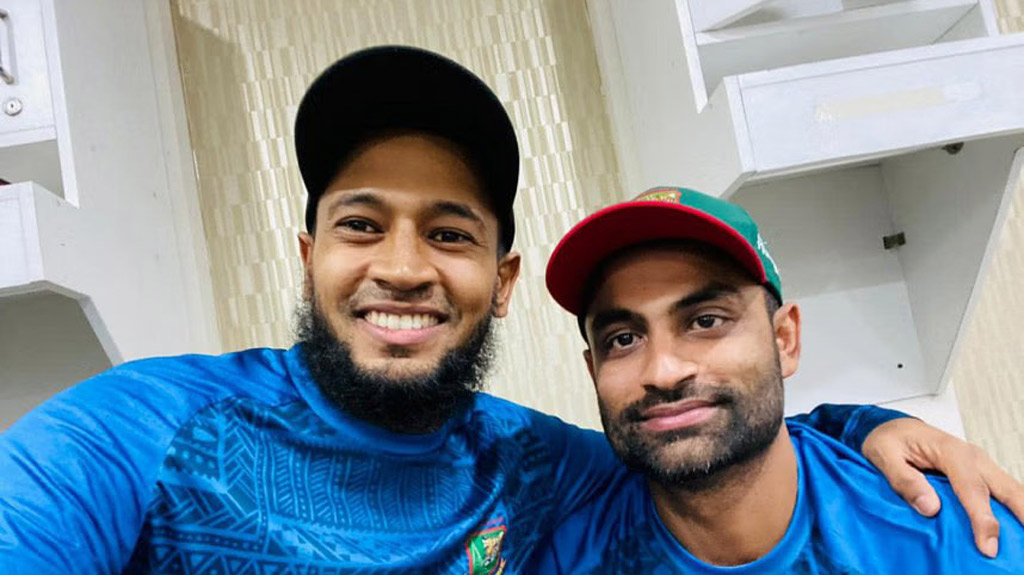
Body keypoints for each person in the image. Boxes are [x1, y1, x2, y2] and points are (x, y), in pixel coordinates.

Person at [0, 47, 1017, 575]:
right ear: (310, 259)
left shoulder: (543, 471)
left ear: (504, 277)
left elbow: (714, 442)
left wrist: (870, 426)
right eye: (361, 225)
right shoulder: (137, 432)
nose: (403, 266)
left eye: (449, 232)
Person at [538, 186, 1024, 574]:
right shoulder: (569, 557)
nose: (664, 371)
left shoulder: (950, 533)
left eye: (706, 321)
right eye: (623, 339)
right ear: (593, 371)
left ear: (784, 339)